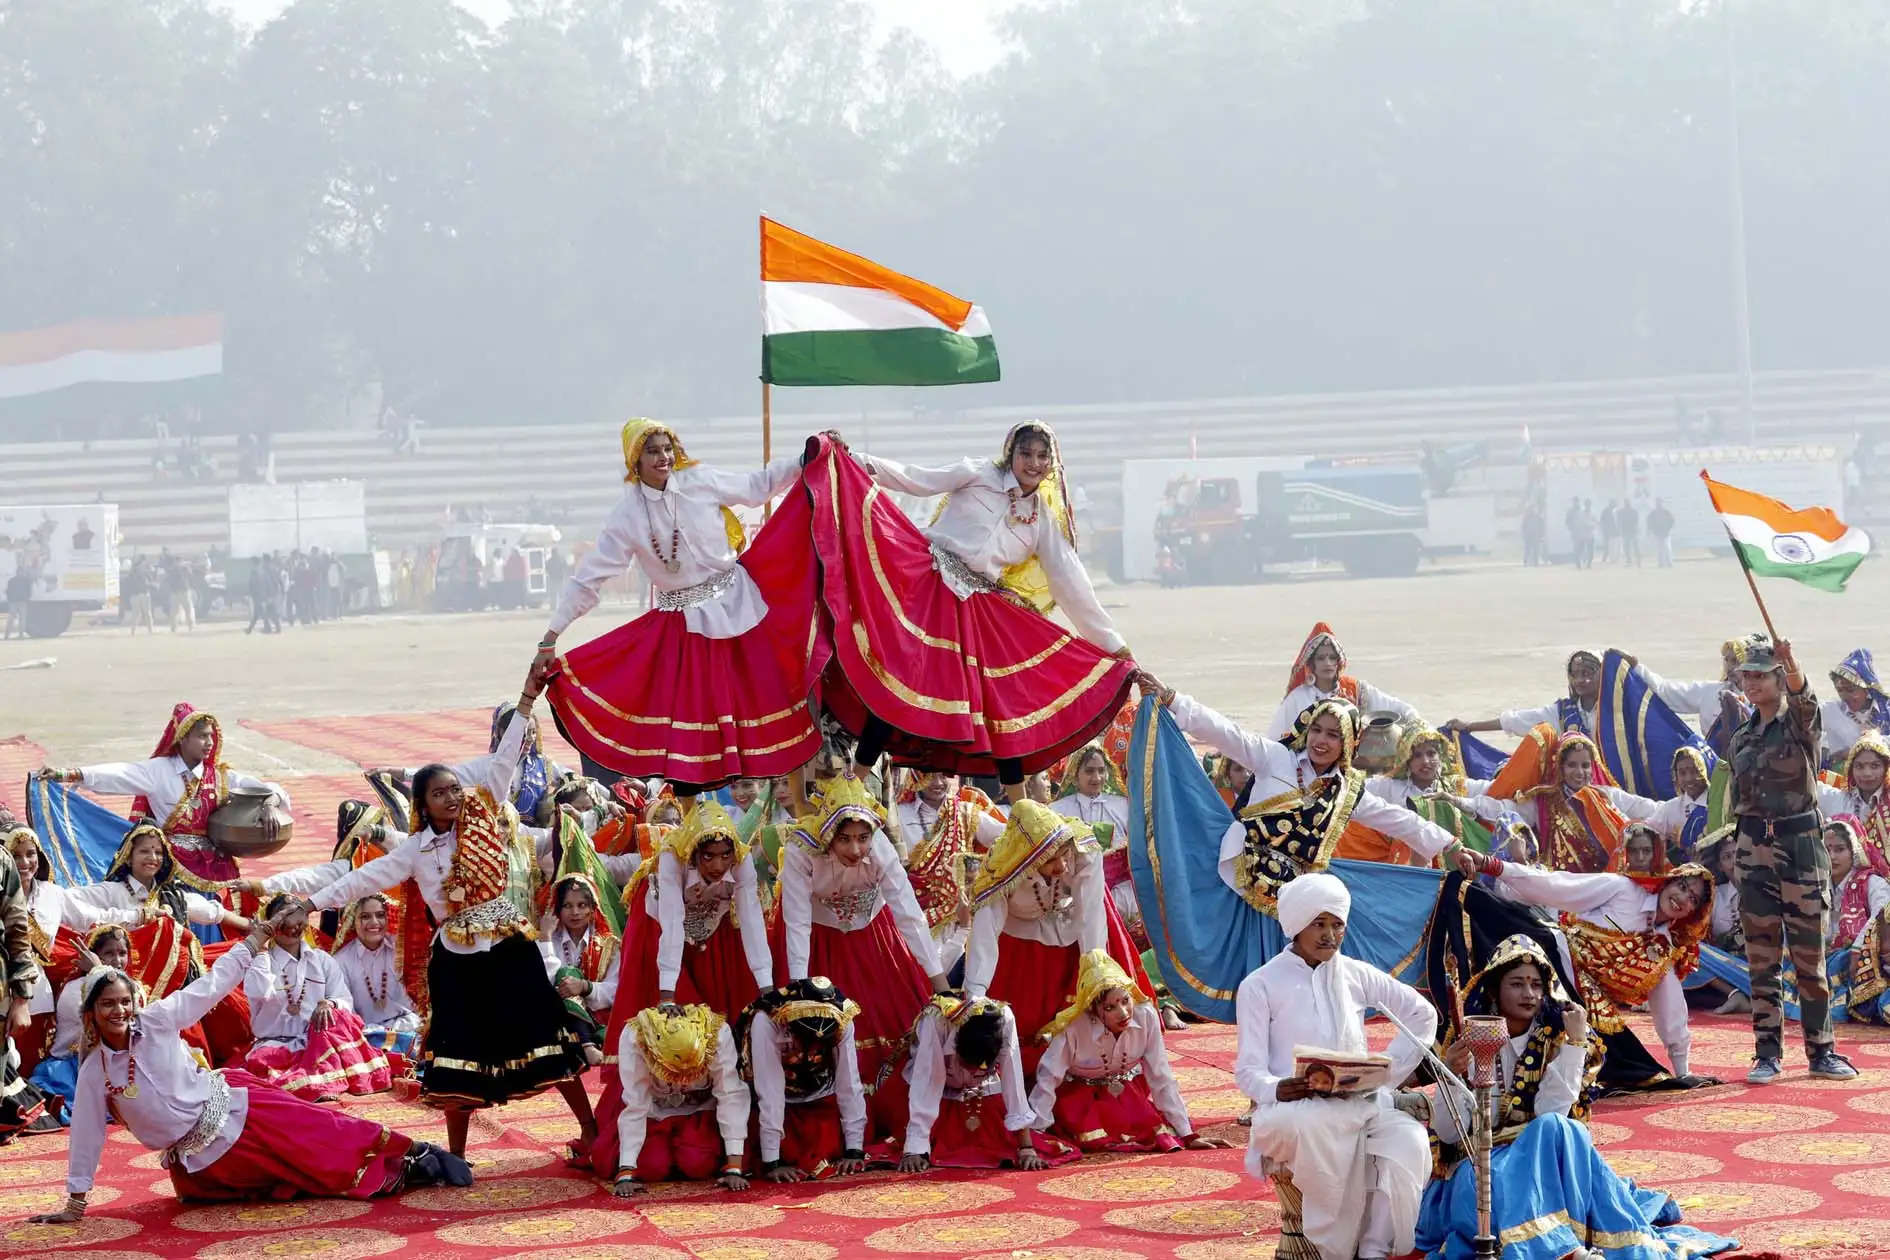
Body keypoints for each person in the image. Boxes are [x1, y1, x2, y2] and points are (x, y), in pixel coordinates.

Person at [297, 683, 598, 1158]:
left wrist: (525, 702)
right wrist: (311, 903)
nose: (453, 797)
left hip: (509, 948)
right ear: (423, 805)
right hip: (457, 963)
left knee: (548, 1036)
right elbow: (362, 878)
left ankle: (591, 1130)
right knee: (457, 1054)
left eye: (455, 788)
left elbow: (503, 761)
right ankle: (458, 1155)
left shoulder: (483, 815)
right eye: (441, 793)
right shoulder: (415, 850)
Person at [28, 912, 471, 1220]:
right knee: (307, 1178)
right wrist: (75, 1203)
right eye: (107, 1004)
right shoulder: (95, 1071)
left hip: (238, 1109)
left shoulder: (157, 1020)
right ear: (91, 1013)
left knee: (322, 1136)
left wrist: (252, 944)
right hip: (203, 1167)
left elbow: (211, 986)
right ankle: (398, 1172)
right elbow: (87, 1131)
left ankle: (415, 1156)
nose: (119, 1011)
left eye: (124, 1001)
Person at [832, 422, 1134, 799]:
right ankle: (853, 784)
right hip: (926, 581)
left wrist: (1116, 647)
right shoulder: (977, 473)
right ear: (1011, 453)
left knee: (998, 695)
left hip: (975, 606)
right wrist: (852, 459)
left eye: (1042, 456)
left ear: (1052, 464)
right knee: (900, 675)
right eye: (1026, 453)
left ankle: (1022, 808)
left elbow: (1072, 584)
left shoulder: (1040, 520)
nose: (1033, 463)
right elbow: (916, 479)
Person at [534, 419, 820, 789]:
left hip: (742, 608)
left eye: (667, 448)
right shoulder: (627, 516)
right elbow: (589, 578)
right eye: (652, 451)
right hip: (683, 628)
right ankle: (689, 825)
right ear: (635, 460)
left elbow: (757, 486)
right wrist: (550, 636)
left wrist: (803, 458)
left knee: (774, 699)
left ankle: (795, 807)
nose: (663, 457)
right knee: (684, 729)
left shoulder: (700, 481)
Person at [1416, 934, 1737, 1260]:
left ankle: (1561, 1245)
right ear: (1495, 989)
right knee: (1513, 1167)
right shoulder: (1470, 1038)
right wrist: (1452, 1076)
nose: (1529, 994)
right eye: (1517, 984)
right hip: (1481, 1164)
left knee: (1561, 1128)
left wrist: (1574, 1044)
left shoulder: (1555, 1039)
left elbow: (1549, 1113)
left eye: (1536, 985)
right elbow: (1448, 1132)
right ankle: (1557, 1247)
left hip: (1543, 1160)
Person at [1232, 875, 1436, 1260]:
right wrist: (1278, 1087)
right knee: (1318, 1128)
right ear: (1296, 925)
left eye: (1337, 924)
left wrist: (1388, 1074)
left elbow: (1421, 1013)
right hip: (1291, 1111)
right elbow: (1248, 1070)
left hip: (1361, 1105)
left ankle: (1374, 1249)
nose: (1330, 935)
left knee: (1409, 1140)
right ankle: (1334, 1249)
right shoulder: (1260, 984)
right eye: (1319, 924)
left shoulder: (1355, 973)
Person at [1136, 673, 1464, 905]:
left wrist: (1449, 845)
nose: (1321, 740)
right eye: (1317, 730)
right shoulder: (1276, 758)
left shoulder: (1348, 792)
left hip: (1293, 901)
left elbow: (1399, 820)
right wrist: (1173, 698)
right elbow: (1227, 732)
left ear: (1348, 742)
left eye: (1333, 735)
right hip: (1235, 881)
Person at [1460, 851, 1715, 1088]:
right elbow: (1558, 886)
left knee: (1628, 1061)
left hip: (1585, 1003)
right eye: (1682, 887)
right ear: (1667, 881)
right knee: (1484, 905)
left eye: (1692, 899)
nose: (1682, 898)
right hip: (1553, 954)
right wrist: (1492, 865)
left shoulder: (1662, 952)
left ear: (1693, 913)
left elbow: (1671, 1010)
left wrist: (1682, 1072)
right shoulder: (1623, 889)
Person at [1727, 637, 1857, 1083]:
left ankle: (1822, 1052)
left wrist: (1793, 663)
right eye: (1747, 676)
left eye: (1760, 675)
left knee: (1808, 957)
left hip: (1800, 848)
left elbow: (1806, 700)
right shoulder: (1742, 736)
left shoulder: (1800, 724)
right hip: (1754, 852)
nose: (1751, 682)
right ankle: (1767, 1053)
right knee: (1761, 956)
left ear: (1779, 680)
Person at [772, 775, 948, 1082]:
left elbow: (909, 914)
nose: (856, 849)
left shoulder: (879, 847)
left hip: (874, 938)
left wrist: (940, 984)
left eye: (862, 837)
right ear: (828, 835)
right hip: (819, 943)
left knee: (894, 1020)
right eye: (844, 839)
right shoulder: (801, 850)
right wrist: (800, 993)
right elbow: (797, 923)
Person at [39, 703, 292, 886]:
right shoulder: (159, 771)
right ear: (183, 738)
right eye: (202, 736)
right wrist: (67, 773)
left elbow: (272, 790)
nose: (209, 743)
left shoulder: (222, 777)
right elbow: (119, 774)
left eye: (211, 737)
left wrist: (269, 803)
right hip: (171, 867)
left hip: (216, 867)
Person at [963, 801, 1119, 1065]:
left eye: (1064, 855)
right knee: (1018, 1027)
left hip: (1069, 933)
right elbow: (985, 933)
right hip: (1018, 946)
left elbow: (1090, 913)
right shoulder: (1002, 867)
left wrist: (1097, 975)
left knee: (1079, 1018)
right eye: (1050, 860)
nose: (1062, 867)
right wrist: (975, 996)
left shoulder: (1084, 850)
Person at [1029, 949, 1218, 1155]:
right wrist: (1035, 1135)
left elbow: (1160, 1075)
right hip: (1079, 1102)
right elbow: (1048, 1078)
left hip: (1128, 1096)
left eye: (1126, 1001)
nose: (1124, 1013)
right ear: (1092, 1009)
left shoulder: (1146, 1015)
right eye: (1110, 1007)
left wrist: (1187, 1134)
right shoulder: (1073, 1028)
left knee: (1154, 1132)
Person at [874, 995, 1071, 1172]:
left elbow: (1013, 1081)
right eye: (966, 1065)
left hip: (981, 1095)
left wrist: (1026, 1148)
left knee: (999, 1146)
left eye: (981, 1069)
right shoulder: (935, 1021)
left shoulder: (1004, 1019)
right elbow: (926, 1082)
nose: (973, 1073)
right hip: (931, 1095)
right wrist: (915, 1149)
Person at [240, 894, 392, 1100]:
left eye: (297, 917)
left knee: (339, 1018)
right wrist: (261, 948)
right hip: (274, 1045)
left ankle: (321, 1079)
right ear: (271, 924)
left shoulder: (321, 960)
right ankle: (317, 1082)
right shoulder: (262, 961)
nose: (293, 926)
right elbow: (259, 992)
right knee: (265, 1070)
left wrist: (329, 1003)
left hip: (317, 1042)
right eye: (284, 919)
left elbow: (345, 1001)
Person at [736, 977, 869, 1182]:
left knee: (824, 1152)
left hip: (821, 1101)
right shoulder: (768, 1020)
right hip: (782, 1107)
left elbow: (849, 1082)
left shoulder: (842, 1018)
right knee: (781, 1155)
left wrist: (854, 1150)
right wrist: (773, 1161)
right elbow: (770, 1090)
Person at [609, 1003, 750, 1195]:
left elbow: (730, 1094)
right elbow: (636, 1103)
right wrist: (626, 1171)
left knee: (698, 1165)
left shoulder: (716, 1035)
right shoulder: (637, 1037)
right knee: (651, 1168)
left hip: (699, 1111)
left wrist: (734, 1167)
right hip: (654, 1112)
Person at [28, 924, 134, 1114]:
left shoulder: (129, 986)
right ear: (90, 957)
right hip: (74, 1068)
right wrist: (99, 971)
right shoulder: (76, 989)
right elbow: (105, 1029)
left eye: (122, 953)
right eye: (109, 953)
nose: (117, 961)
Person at [1268, 624, 1419, 740]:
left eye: (1332, 657)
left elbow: (1402, 709)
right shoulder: (1298, 697)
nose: (1327, 663)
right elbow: (1274, 738)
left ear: (1339, 661)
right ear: (1311, 664)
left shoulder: (1355, 690)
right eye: (1321, 658)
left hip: (1354, 766)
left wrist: (1419, 729)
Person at [539, 873, 620, 1065]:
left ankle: (588, 1041)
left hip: (599, 1017)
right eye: (567, 906)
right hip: (558, 1017)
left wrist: (585, 987)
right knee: (565, 975)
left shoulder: (610, 945)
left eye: (581, 905)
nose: (574, 912)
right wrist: (545, 937)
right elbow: (546, 983)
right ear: (557, 910)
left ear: (593, 909)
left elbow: (616, 990)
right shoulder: (548, 940)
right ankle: (587, 1045)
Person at [330, 893, 422, 1058]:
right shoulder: (340, 961)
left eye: (380, 915)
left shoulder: (402, 949)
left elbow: (421, 999)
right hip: (367, 1038)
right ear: (353, 922)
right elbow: (345, 1014)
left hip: (411, 1030)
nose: (374, 923)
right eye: (365, 917)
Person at [1447, 649, 1603, 740]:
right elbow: (1515, 720)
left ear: (1603, 675)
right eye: (1575, 674)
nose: (1581, 680)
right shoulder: (1564, 712)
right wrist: (1469, 727)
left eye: (1587, 673)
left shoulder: (1618, 709)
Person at [1824, 649, 1890, 767]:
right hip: (1841, 777)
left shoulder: (1886, 710)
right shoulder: (1831, 711)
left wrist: (1875, 739)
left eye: (1851, 690)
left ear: (1867, 688)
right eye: (1840, 690)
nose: (1845, 696)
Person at [3, 564, 30, 639]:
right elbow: (29, 591)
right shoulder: (26, 580)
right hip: (21, 602)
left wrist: (10, 600)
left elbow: (8, 591)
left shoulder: (12, 580)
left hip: (14, 602)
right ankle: (20, 635)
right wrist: (27, 598)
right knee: (21, 619)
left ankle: (7, 635)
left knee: (11, 619)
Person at [1647, 496, 1676, 567]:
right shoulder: (1653, 513)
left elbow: (1672, 521)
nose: (1658, 504)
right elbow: (1649, 522)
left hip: (1666, 533)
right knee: (1659, 549)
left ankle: (1669, 563)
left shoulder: (1666, 512)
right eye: (1657, 502)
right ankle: (1661, 563)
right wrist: (1651, 530)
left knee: (1667, 548)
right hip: (1657, 533)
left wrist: (1668, 529)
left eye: (1659, 502)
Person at [1617, 498, 1640, 567]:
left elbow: (1636, 521)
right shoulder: (1621, 511)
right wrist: (1620, 529)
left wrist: (1636, 529)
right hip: (1625, 531)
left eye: (1628, 502)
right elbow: (1619, 521)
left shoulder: (1634, 511)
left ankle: (1638, 560)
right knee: (1626, 546)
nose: (1627, 504)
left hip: (1632, 531)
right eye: (1626, 502)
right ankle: (1629, 560)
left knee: (1635, 546)